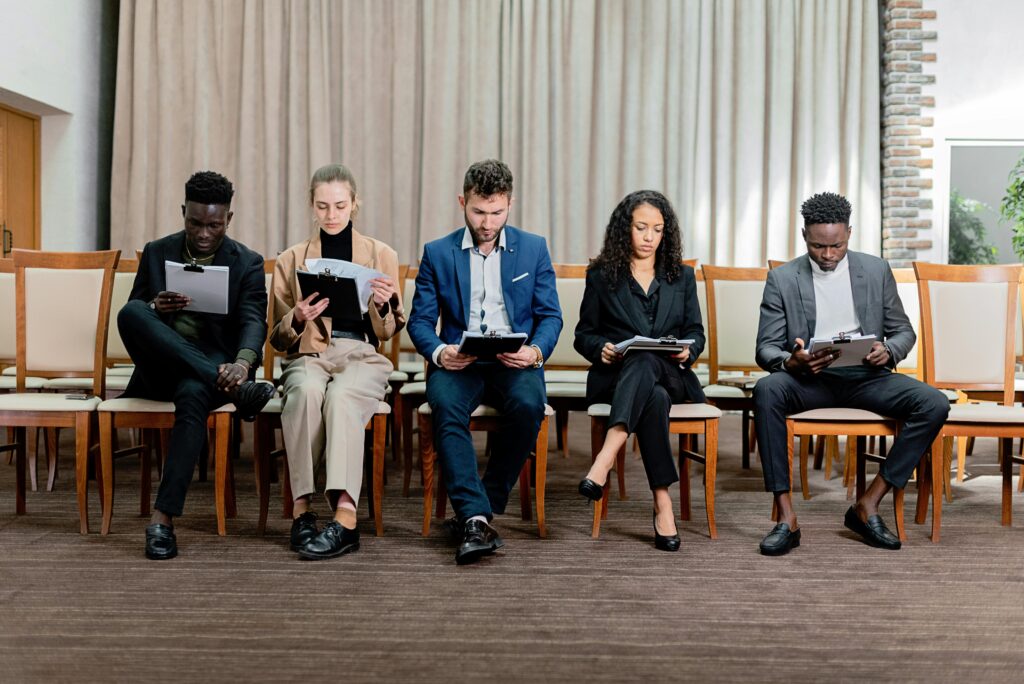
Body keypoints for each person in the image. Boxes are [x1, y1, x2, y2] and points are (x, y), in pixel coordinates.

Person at [752, 191, 949, 555]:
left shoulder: (875, 270)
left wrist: (887, 350)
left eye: (837, 246)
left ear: (850, 234)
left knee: (934, 403)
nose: (828, 255)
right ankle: (785, 517)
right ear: (804, 236)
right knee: (766, 390)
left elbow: (904, 331)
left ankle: (868, 503)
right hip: (809, 381)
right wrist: (789, 361)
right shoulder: (782, 278)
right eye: (818, 247)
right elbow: (765, 347)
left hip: (867, 378)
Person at [407, 159, 562, 565]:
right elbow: (421, 321)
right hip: (461, 360)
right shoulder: (437, 253)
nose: (488, 222)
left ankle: (481, 507)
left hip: (515, 359)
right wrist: (441, 352)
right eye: (479, 211)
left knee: (530, 407)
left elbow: (551, 316)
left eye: (497, 212)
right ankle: (475, 516)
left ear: (510, 203)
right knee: (445, 408)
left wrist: (535, 352)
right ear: (463, 202)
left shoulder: (534, 248)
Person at [119, 170, 275, 561]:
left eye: (214, 225)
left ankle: (162, 519)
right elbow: (137, 318)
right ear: (182, 212)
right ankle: (241, 395)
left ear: (229, 219)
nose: (204, 233)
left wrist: (242, 364)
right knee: (133, 311)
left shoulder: (248, 262)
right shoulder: (157, 251)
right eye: (195, 223)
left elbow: (255, 321)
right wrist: (156, 307)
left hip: (215, 372)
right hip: (160, 369)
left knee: (192, 394)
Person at [269, 164, 404, 560]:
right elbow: (277, 338)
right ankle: (302, 511)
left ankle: (345, 518)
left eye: (340, 206)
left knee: (343, 397)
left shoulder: (381, 254)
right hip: (309, 354)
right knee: (307, 391)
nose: (332, 215)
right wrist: (297, 317)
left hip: (360, 351)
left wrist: (383, 305)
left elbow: (387, 332)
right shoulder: (292, 259)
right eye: (323, 206)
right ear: (311, 206)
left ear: (354, 204)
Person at [574, 190, 706, 552]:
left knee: (648, 359)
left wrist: (688, 349)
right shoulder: (601, 276)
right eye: (642, 228)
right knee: (652, 392)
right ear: (624, 229)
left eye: (658, 229)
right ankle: (663, 503)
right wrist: (597, 348)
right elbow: (583, 333)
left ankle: (605, 458)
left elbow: (696, 332)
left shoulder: (682, 276)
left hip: (673, 374)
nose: (649, 237)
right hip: (618, 378)